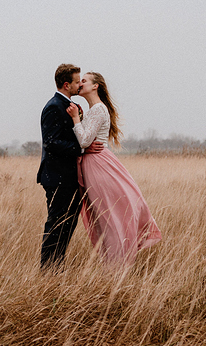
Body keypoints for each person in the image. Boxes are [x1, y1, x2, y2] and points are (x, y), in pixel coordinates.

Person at [67, 72, 162, 265]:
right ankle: (113, 266)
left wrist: (76, 119)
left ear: (96, 86)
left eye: (84, 81)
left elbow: (84, 140)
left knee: (108, 217)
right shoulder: (94, 109)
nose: (80, 84)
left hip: (98, 165)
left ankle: (117, 267)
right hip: (94, 162)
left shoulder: (98, 110)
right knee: (104, 218)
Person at [37, 64, 103, 269]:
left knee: (67, 225)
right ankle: (48, 270)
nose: (79, 84)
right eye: (77, 81)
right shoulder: (53, 106)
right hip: (57, 178)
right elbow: (51, 142)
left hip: (70, 178)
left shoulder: (69, 106)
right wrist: (83, 149)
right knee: (56, 224)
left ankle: (58, 267)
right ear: (67, 85)